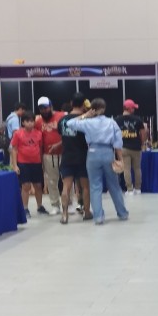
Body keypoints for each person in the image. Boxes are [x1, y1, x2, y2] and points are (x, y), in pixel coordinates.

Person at [67, 98, 130, 225]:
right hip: (107, 152)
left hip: (92, 153)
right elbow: (118, 143)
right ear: (104, 108)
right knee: (114, 185)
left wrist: (85, 115)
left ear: (92, 109)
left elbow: (69, 123)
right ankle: (122, 213)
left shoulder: (88, 122)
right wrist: (121, 160)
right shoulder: (111, 122)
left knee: (95, 186)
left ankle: (98, 217)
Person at [58, 95, 92, 224]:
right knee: (85, 187)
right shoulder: (85, 120)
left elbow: (61, 136)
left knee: (66, 187)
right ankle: (87, 212)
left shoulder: (62, 120)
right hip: (82, 156)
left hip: (67, 156)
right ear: (84, 104)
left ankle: (64, 215)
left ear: (71, 103)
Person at [10, 114, 47, 217]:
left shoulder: (39, 133)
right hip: (23, 163)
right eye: (28, 121)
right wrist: (15, 165)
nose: (30, 123)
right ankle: (25, 209)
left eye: (32, 121)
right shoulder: (18, 134)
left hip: (36, 163)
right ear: (23, 123)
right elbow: (14, 149)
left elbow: (40, 149)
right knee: (25, 186)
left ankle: (40, 206)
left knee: (38, 186)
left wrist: (42, 163)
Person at [35, 97, 65, 215]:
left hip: (63, 153)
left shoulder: (61, 116)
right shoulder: (38, 122)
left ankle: (70, 203)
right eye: (41, 108)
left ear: (51, 106)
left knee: (67, 180)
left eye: (46, 107)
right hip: (47, 155)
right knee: (52, 181)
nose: (44, 110)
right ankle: (55, 205)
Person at [115, 99, 147, 195]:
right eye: (133, 108)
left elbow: (114, 134)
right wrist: (141, 143)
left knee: (126, 169)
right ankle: (138, 189)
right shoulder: (137, 119)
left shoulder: (117, 120)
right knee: (137, 168)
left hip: (123, 147)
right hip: (136, 147)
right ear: (129, 108)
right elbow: (143, 134)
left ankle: (129, 189)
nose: (134, 109)